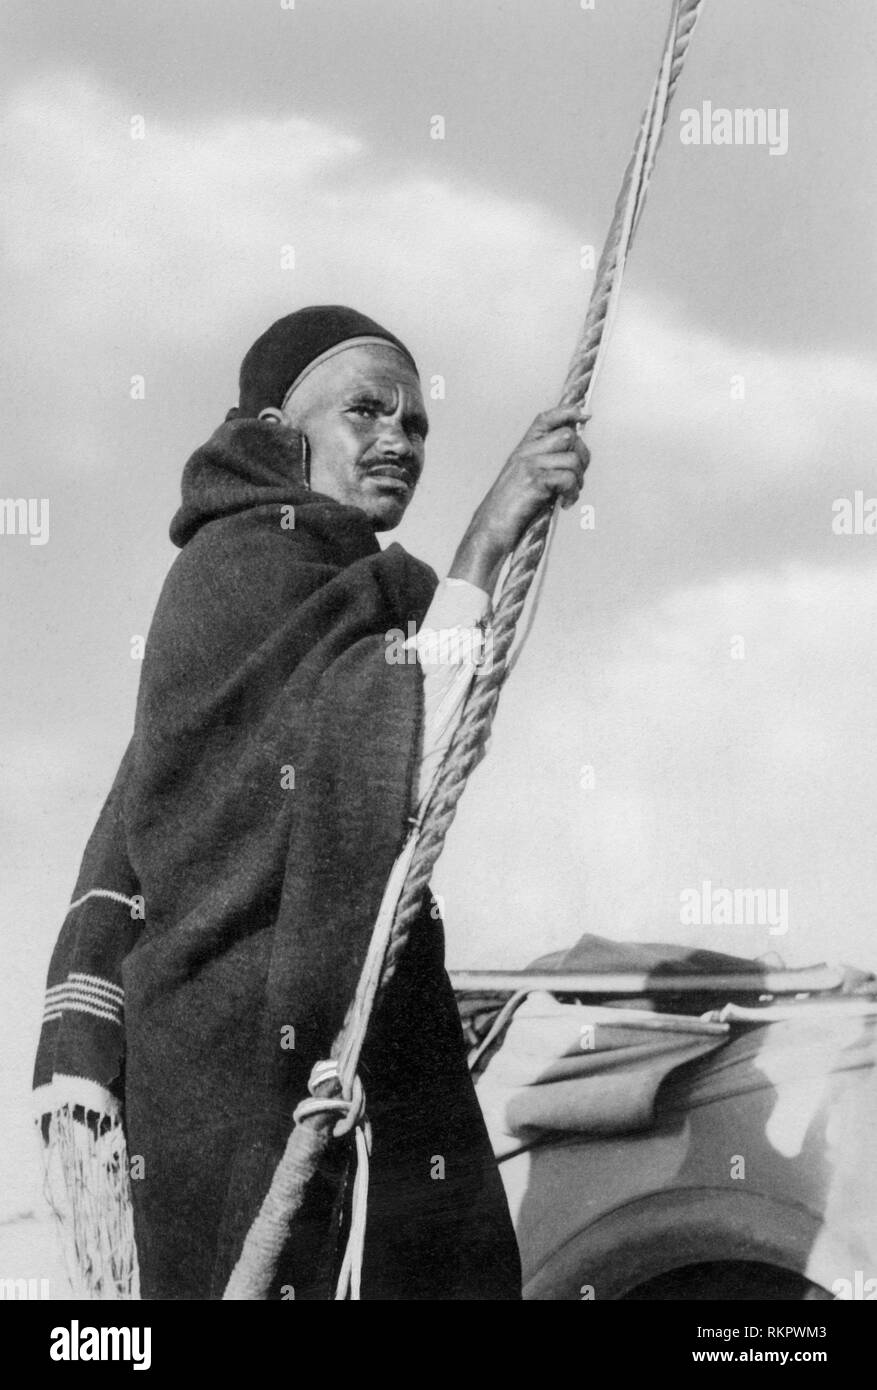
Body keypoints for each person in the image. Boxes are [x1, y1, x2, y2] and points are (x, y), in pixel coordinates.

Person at [34, 305, 589, 1300]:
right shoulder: (239, 567)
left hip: (346, 1029)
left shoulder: (354, 583)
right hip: (233, 1063)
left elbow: (377, 743)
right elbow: (385, 736)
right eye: (366, 412)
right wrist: (485, 539)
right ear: (277, 433)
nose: (399, 441)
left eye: (416, 424)